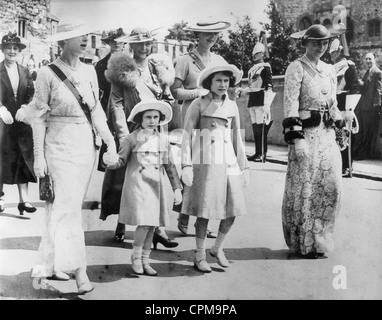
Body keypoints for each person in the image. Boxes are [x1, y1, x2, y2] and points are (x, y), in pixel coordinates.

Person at [24, 22, 117, 294]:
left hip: (85, 147)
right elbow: (39, 120)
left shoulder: (89, 71)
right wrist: (39, 158)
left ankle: (45, 267)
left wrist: (110, 141)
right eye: (79, 37)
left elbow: (96, 110)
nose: (86, 41)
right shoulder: (46, 73)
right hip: (58, 145)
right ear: (63, 42)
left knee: (62, 208)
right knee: (69, 209)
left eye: (88, 36)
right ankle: (80, 272)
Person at [100, 27, 178, 248]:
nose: (144, 47)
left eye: (148, 43)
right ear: (131, 45)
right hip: (132, 130)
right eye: (140, 43)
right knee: (125, 179)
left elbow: (168, 100)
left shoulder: (157, 70)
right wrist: (125, 136)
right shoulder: (121, 70)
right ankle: (122, 222)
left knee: (154, 177)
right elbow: (115, 105)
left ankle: (158, 230)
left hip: (154, 129)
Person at [282, 24, 345, 259]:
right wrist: (297, 139)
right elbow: (289, 104)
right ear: (305, 43)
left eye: (325, 42)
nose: (321, 46)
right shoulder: (296, 68)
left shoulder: (330, 70)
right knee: (306, 190)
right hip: (306, 135)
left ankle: (321, 239)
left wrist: (340, 128)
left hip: (327, 135)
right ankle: (305, 243)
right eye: (316, 42)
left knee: (332, 187)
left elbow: (334, 104)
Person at [181, 61, 248, 272]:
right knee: (205, 211)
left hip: (228, 160)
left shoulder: (232, 105)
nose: (222, 84)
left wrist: (244, 167)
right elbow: (186, 136)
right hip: (207, 162)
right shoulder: (198, 104)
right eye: (218, 80)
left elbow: (237, 137)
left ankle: (217, 248)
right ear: (209, 83)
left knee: (233, 209)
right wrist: (186, 165)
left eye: (226, 80)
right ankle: (200, 255)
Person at [103, 99, 182, 276]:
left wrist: (177, 188)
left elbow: (170, 166)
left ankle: (146, 261)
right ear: (140, 119)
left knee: (152, 225)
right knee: (145, 224)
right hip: (138, 184)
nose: (152, 120)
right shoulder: (131, 139)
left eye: (155, 117)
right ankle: (136, 257)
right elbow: (121, 161)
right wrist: (110, 161)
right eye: (148, 117)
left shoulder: (163, 140)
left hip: (156, 186)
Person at [170, 20, 231, 237]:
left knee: (212, 172)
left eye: (215, 34)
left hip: (212, 120)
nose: (211, 37)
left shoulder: (218, 59)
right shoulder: (186, 61)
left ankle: (207, 218)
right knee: (193, 168)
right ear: (198, 35)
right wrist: (195, 93)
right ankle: (184, 215)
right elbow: (174, 91)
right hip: (191, 116)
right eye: (207, 34)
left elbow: (226, 85)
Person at [0, 32, 36, 215]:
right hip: (2, 122)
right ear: (3, 50)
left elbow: (32, 93)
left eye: (15, 48)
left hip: (21, 121)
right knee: (1, 157)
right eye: (8, 48)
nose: (12, 51)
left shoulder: (25, 71)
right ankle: (0, 197)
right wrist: (0, 109)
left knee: (23, 158)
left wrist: (25, 107)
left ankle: (24, 200)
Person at [329, 38, 360, 176]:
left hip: (345, 107)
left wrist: (349, 109)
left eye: (334, 53)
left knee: (345, 138)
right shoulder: (331, 68)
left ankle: (347, 166)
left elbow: (354, 88)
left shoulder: (349, 66)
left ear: (339, 51)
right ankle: (340, 165)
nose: (332, 56)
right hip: (335, 107)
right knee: (337, 138)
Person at [241, 41, 273, 162]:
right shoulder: (251, 70)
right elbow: (251, 86)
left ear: (262, 54)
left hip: (261, 99)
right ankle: (257, 152)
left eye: (257, 53)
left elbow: (269, 85)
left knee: (261, 128)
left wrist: (267, 103)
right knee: (255, 128)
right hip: (252, 100)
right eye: (254, 54)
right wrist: (242, 90)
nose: (254, 56)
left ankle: (263, 154)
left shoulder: (265, 67)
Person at [353, 52, 382, 160]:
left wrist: (376, 106)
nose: (368, 61)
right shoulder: (367, 72)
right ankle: (362, 153)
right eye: (366, 59)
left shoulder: (377, 72)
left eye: (370, 59)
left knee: (368, 133)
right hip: (363, 106)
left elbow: (379, 90)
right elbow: (364, 87)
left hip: (371, 108)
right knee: (363, 131)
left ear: (375, 59)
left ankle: (365, 155)